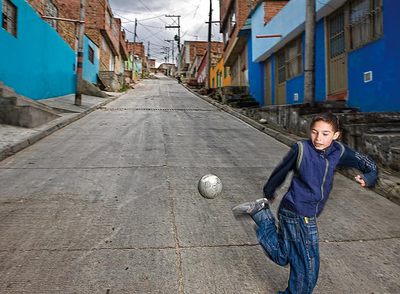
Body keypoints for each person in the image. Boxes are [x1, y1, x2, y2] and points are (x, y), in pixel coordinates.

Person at [232, 112, 378, 294]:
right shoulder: (301, 149)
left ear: (335, 135)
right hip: (300, 213)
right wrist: (269, 191)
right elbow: (281, 170)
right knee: (308, 267)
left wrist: (369, 176)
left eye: (325, 134)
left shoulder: (339, 152)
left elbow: (366, 162)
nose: (318, 138)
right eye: (314, 132)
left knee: (285, 255)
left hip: (293, 212)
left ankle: (261, 214)